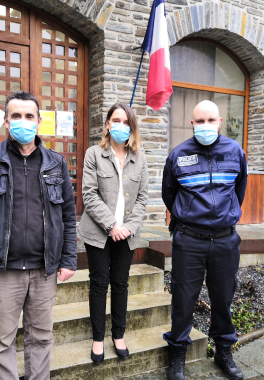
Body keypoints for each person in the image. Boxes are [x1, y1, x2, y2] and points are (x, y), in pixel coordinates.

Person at [0, 91, 77, 380]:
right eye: (16, 116)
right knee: (2, 341)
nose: (22, 122)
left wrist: (69, 259)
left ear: (38, 123)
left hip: (44, 269)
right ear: (5, 121)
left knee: (41, 338)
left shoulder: (56, 163)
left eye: (29, 116)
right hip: (3, 270)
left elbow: (67, 216)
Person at [162, 100, 248, 380]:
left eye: (211, 120)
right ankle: (177, 355)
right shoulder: (179, 155)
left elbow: (240, 190)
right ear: (192, 123)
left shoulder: (235, 152)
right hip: (189, 240)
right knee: (183, 301)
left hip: (225, 241)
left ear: (220, 122)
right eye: (200, 121)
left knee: (223, 300)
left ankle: (224, 351)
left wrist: (224, 216)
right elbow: (169, 194)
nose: (206, 126)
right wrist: (187, 216)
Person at [77, 102, 149, 363]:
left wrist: (128, 228)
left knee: (120, 284)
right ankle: (98, 338)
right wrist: (112, 225)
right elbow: (89, 194)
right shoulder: (94, 153)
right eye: (115, 120)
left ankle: (118, 335)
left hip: (127, 235)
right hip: (98, 232)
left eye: (126, 121)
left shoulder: (139, 157)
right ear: (107, 124)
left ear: (132, 127)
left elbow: (143, 198)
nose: (120, 126)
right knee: (99, 284)